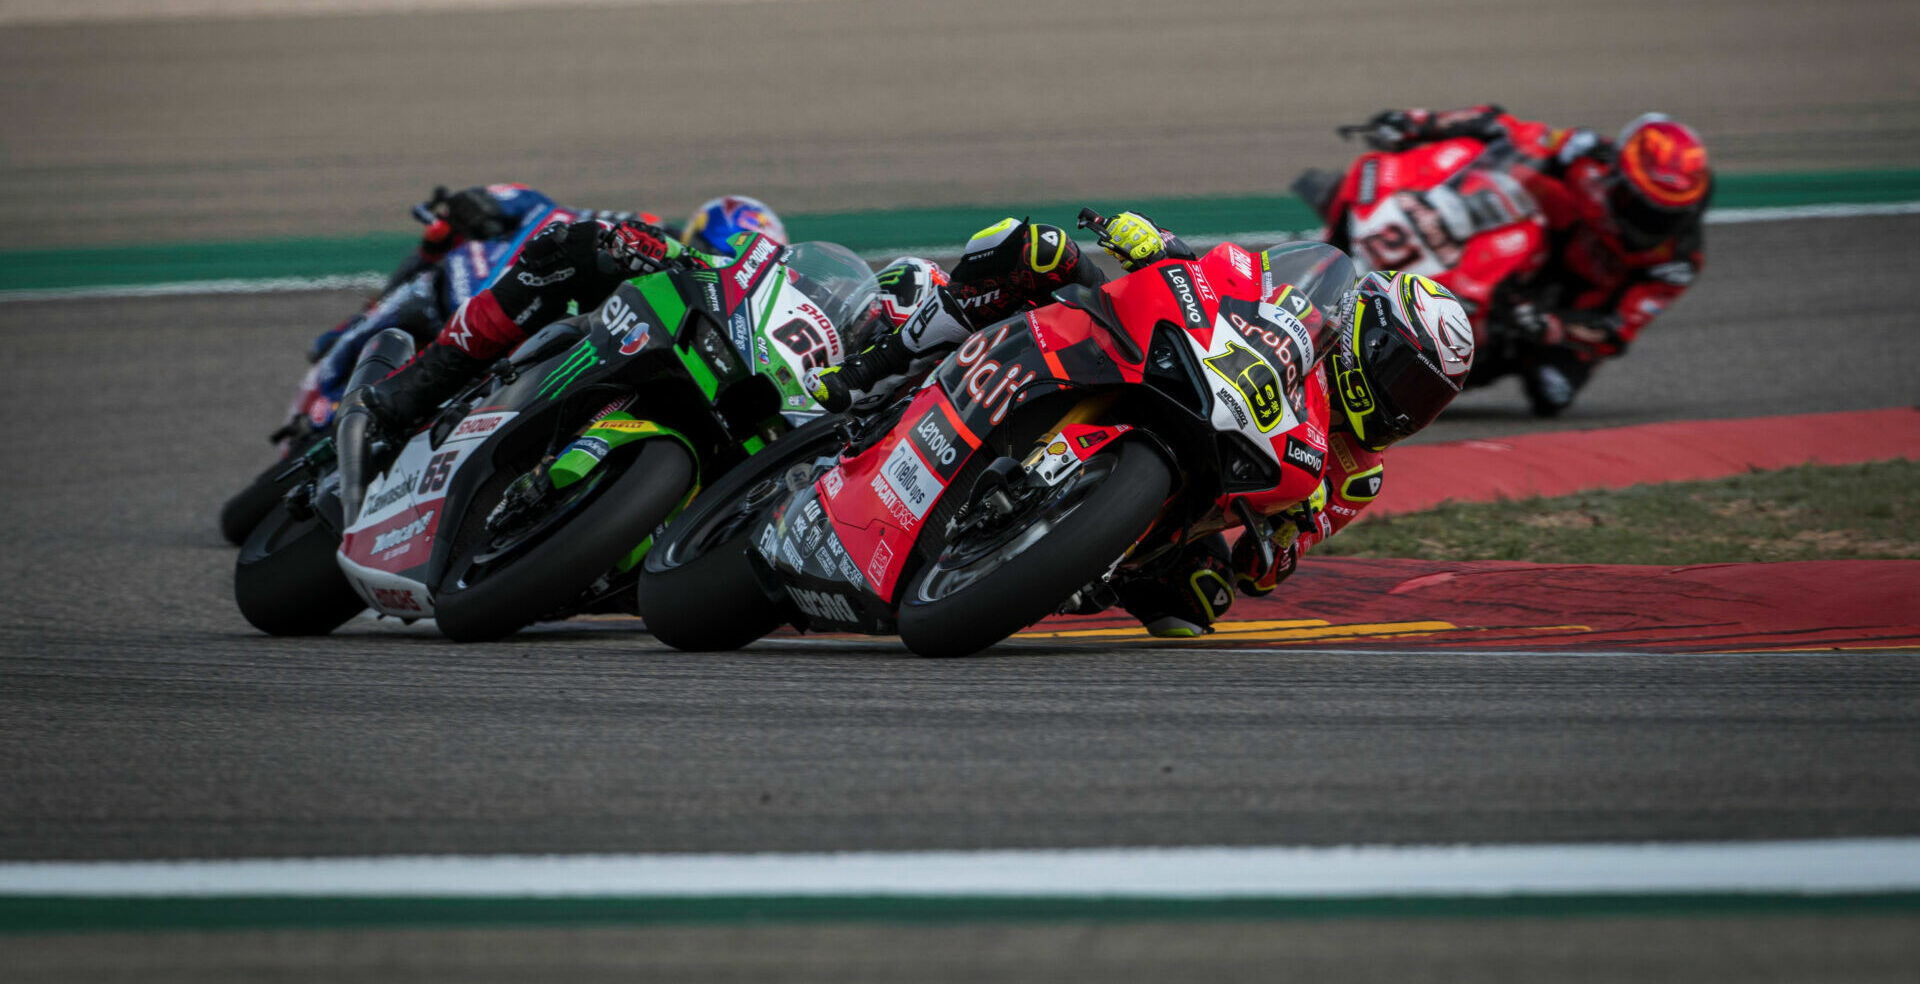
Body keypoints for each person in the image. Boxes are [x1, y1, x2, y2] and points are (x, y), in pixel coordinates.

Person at [815, 213, 1475, 638]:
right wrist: (1161, 246)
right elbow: (1228, 274)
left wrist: (1282, 540)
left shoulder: (1357, 477)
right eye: (1404, 378)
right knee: (1035, 248)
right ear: (1368, 335)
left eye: (1425, 401)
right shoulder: (1294, 299)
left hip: (1203, 482)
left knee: (1201, 598)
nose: (1403, 406)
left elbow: (1261, 574)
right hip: (1152, 357)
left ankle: (1055, 567)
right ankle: (882, 363)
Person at [298, 188, 782, 434]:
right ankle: (346, 350)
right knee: (435, 250)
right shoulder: (651, 230)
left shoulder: (710, 311)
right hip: (503, 285)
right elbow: (541, 209)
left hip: (565, 341)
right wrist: (481, 205)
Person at [1348, 105, 1709, 415]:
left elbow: (1616, 327)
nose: (1650, 222)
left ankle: (1429, 370)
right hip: (1535, 245)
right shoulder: (1585, 152)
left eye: (1663, 215)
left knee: (1551, 389)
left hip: (1572, 308)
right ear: (1617, 172)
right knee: (1471, 157)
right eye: (1641, 205)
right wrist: (1421, 122)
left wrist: (1553, 325)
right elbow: (1503, 127)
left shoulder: (1676, 261)